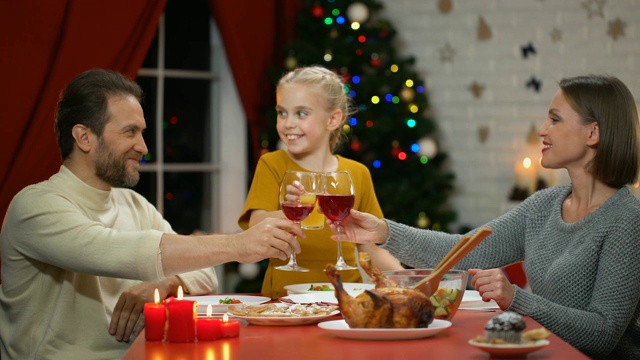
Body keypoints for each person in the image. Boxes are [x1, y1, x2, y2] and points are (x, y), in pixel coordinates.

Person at [327, 74, 640, 359]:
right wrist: (384, 233)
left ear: (593, 132)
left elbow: (602, 334)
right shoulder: (543, 206)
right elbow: (465, 249)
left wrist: (515, 298)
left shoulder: (628, 220)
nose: (542, 130)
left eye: (555, 120)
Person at [0, 68, 303, 360]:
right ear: (84, 137)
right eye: (130, 132)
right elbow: (115, 251)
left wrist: (166, 285)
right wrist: (240, 245)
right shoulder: (35, 206)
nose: (143, 147)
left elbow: (205, 274)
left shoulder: (132, 204)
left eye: (142, 133)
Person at [238, 65, 403, 299]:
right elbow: (256, 225)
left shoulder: (357, 173)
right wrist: (289, 211)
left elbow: (371, 248)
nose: (288, 123)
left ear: (333, 119)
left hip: (345, 298)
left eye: (301, 113)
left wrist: (409, 281)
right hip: (285, 300)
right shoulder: (272, 165)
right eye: (282, 112)